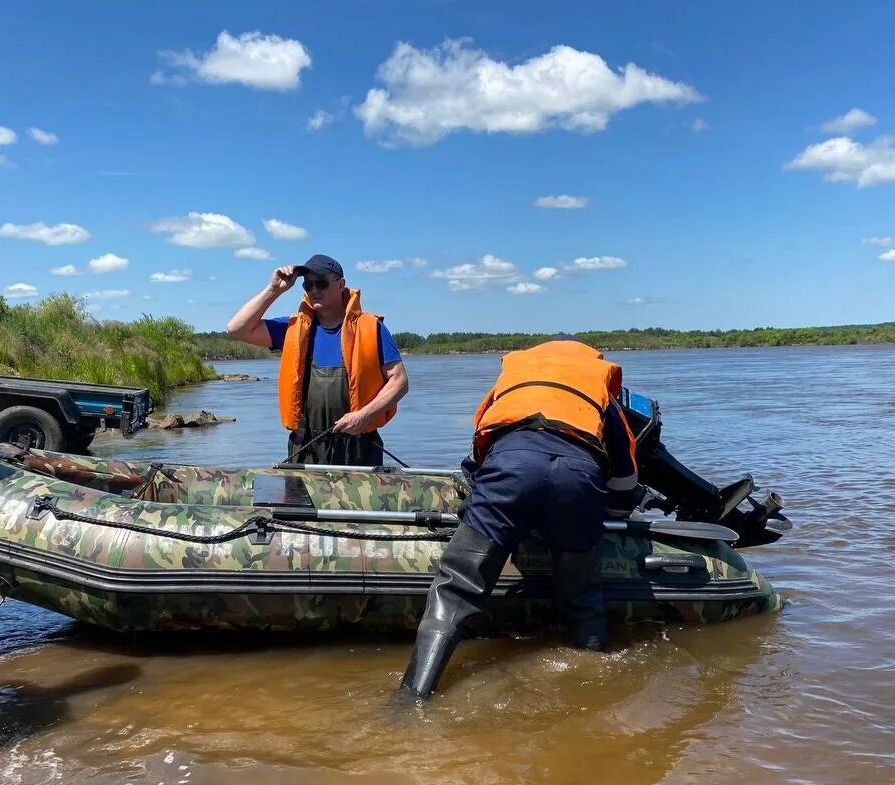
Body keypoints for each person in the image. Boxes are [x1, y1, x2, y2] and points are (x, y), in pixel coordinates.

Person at [399, 338, 644, 699]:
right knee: (583, 599)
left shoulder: (509, 387)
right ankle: (592, 689)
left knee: (456, 588)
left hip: (511, 466)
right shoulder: (598, 392)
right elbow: (625, 478)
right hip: (579, 475)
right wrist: (607, 516)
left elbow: (481, 451)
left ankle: (412, 696)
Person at [226, 254, 408, 466]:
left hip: (358, 448)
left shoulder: (371, 328)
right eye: (307, 285)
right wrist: (274, 290)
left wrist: (364, 415)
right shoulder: (292, 329)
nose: (314, 290)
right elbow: (236, 328)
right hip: (305, 448)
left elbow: (399, 382)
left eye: (320, 283)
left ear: (341, 285)